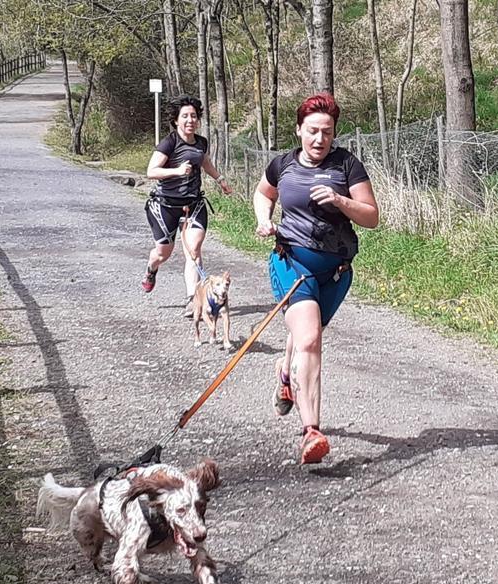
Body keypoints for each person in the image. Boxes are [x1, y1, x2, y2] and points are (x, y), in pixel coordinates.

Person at [252, 92, 379, 464]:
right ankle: (312, 432)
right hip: (290, 262)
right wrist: (264, 220)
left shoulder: (347, 166)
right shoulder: (283, 165)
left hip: (336, 272)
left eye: (327, 132)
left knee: (302, 339)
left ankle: (286, 376)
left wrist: (341, 202)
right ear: (299, 130)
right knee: (310, 339)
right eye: (312, 131)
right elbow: (263, 193)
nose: (320, 139)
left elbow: (371, 217)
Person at [140, 95, 234, 317]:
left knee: (194, 249)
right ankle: (151, 269)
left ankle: (193, 300)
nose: (190, 120)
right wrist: (176, 171)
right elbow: (151, 171)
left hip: (193, 204)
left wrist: (220, 180)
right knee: (163, 253)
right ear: (176, 120)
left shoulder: (201, 142)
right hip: (165, 205)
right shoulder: (169, 143)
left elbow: (204, 161)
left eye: (193, 116)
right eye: (185, 116)